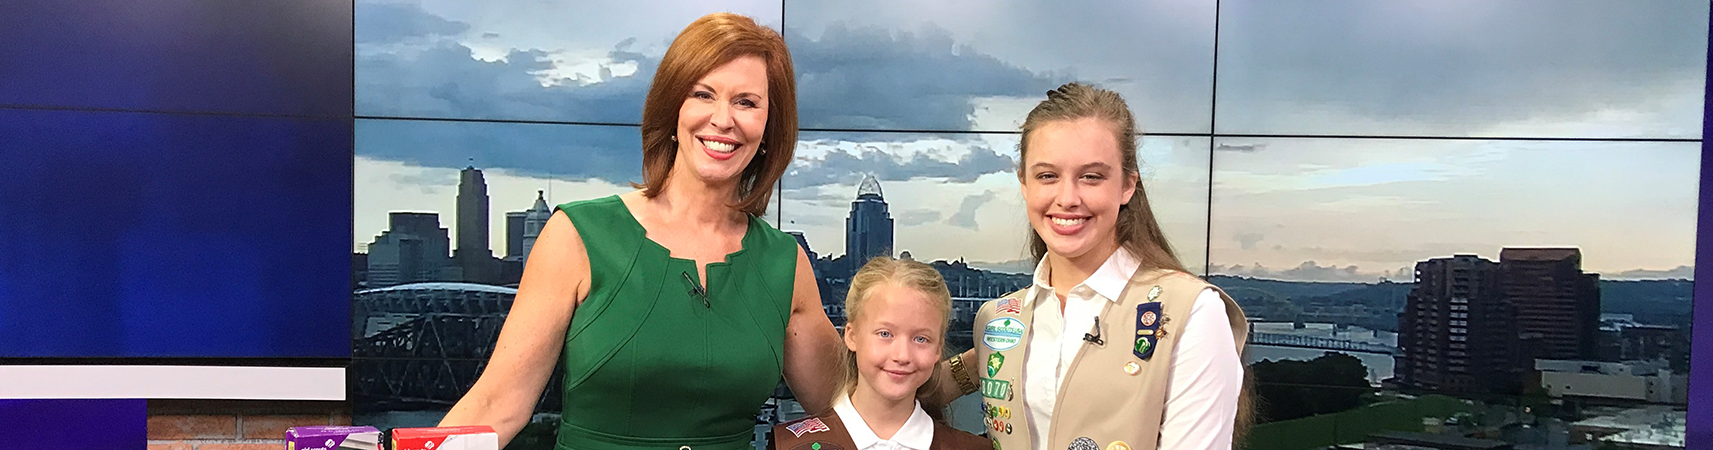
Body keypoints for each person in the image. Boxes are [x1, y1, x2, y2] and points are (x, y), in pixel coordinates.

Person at [437, 13, 843, 450]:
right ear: (673, 111)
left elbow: (849, 410)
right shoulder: (578, 235)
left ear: (768, 128)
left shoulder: (784, 262)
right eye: (702, 94)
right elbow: (495, 407)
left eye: (746, 102)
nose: (723, 120)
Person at [923, 83, 1249, 450]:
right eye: (1047, 175)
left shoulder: (1192, 312)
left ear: (1128, 185)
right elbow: (904, 390)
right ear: (1024, 185)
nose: (1067, 198)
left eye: (1091, 176)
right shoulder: (998, 320)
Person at [771, 257, 992, 450]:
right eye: (885, 333)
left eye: (920, 339)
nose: (902, 355)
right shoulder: (789, 445)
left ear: (938, 349)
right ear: (852, 335)